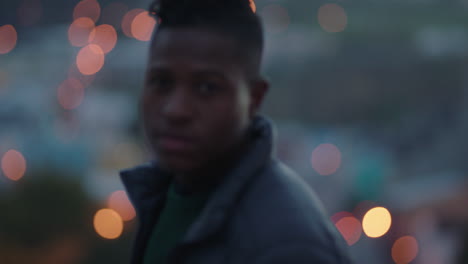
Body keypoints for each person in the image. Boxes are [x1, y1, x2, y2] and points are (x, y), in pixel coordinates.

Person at [120, 0, 352, 263]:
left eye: (207, 88)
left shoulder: (289, 246)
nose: (175, 110)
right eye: (161, 82)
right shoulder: (166, 195)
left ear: (254, 98)